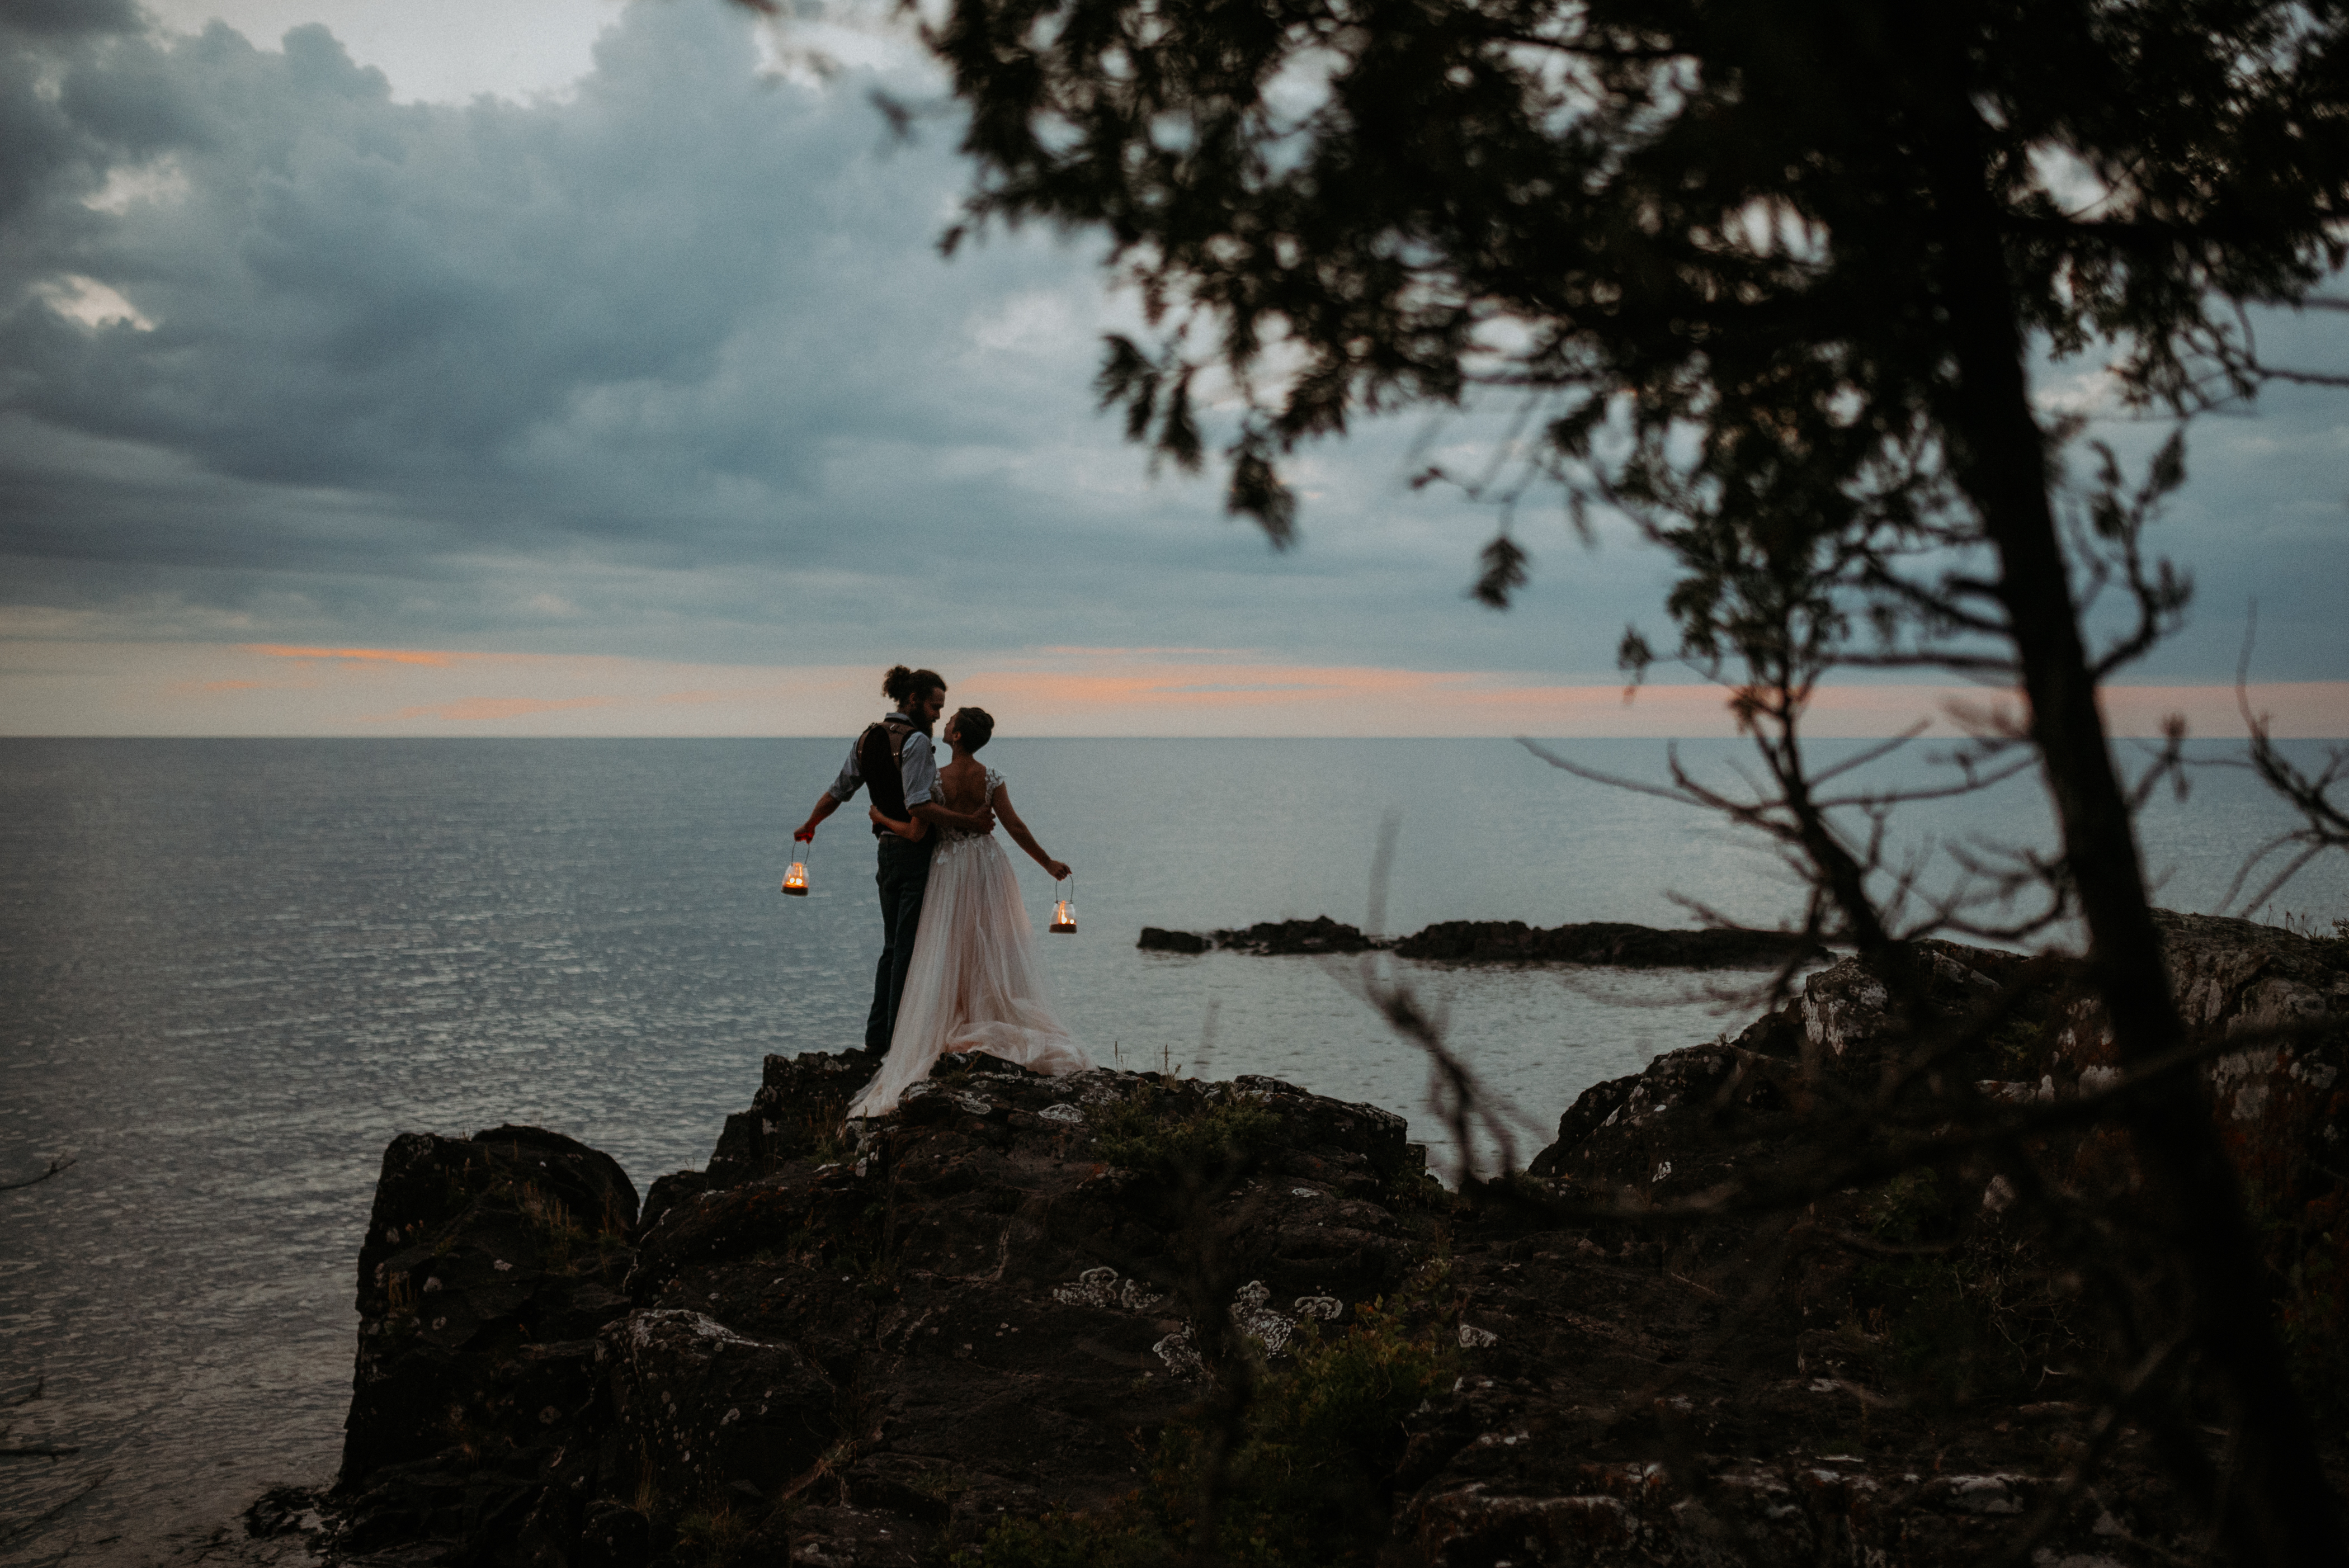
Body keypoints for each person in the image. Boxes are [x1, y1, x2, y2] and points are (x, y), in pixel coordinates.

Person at [846, 705, 1090, 1118]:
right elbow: (1015, 827)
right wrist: (1047, 862)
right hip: (987, 865)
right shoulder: (990, 778)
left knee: (947, 945)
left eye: (951, 720)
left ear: (957, 736)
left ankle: (953, 1017)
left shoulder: (935, 780)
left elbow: (918, 826)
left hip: (949, 868)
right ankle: (981, 1010)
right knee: (989, 943)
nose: (945, 722)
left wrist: (879, 817)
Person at [794, 666, 996, 1055]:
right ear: (915, 701)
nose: (939, 714)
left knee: (892, 948)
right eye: (936, 706)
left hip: (885, 853)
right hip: (913, 851)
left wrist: (810, 824)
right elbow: (918, 805)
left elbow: (839, 791)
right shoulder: (917, 742)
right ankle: (896, 1041)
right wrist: (969, 821)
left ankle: (877, 1038)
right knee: (908, 947)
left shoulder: (868, 737)